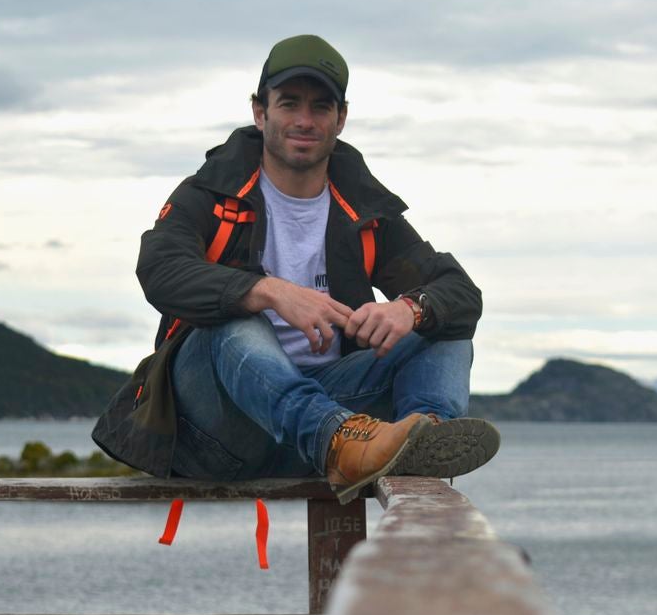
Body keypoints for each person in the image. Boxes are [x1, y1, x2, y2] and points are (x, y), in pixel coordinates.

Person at [93, 34, 499, 503]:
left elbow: (461, 291)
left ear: (340, 119)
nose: (305, 121)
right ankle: (338, 439)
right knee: (232, 321)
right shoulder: (210, 196)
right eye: (289, 104)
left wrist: (409, 309)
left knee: (442, 321)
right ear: (260, 112)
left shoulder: (364, 210)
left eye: (321, 107)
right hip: (218, 429)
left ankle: (421, 440)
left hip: (337, 430)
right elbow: (160, 269)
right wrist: (269, 291)